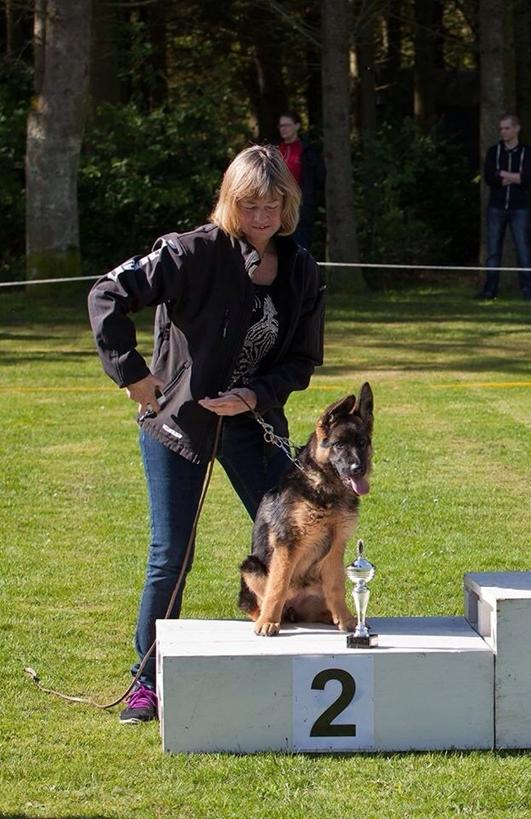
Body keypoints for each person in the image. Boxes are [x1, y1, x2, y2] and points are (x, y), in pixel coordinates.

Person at [87, 145, 326, 724]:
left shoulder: (300, 267)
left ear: (288, 205)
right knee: (171, 555)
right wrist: (135, 375)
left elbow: (302, 359)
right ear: (230, 202)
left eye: (273, 204)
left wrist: (255, 395)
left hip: (255, 426)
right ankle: (145, 682)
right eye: (250, 205)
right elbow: (105, 295)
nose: (262, 217)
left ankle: (313, 645)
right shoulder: (189, 251)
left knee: (302, 540)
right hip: (178, 426)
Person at [477, 113, 531, 300]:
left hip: (520, 208)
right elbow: (490, 178)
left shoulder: (527, 152)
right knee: (493, 251)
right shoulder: (493, 152)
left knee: (523, 250)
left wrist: (504, 175)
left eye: (507, 128)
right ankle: (490, 290)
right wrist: (514, 177)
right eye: (501, 128)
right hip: (496, 207)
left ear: (516, 128)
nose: (503, 132)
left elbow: (526, 178)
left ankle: (528, 291)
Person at [276, 111, 326, 250]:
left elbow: (319, 179)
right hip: (277, 207)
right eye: (281, 126)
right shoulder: (275, 151)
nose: (283, 129)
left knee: (299, 248)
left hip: (300, 209)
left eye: (287, 125)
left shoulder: (308, 152)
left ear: (297, 126)